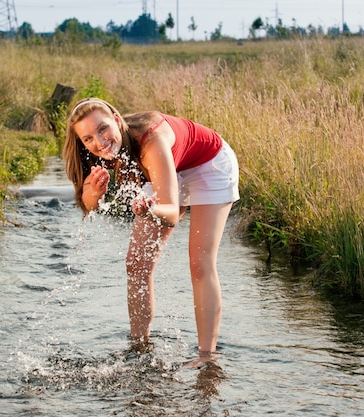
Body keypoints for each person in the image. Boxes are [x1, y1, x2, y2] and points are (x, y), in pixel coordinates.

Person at [63, 98, 239, 358]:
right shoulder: (96, 150)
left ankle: (207, 358)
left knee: (200, 263)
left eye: (103, 129)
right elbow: (87, 205)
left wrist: (149, 209)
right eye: (88, 138)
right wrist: (94, 192)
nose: (99, 142)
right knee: (136, 264)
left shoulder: (150, 142)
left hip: (208, 164)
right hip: (167, 169)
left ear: (115, 117)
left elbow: (170, 213)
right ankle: (140, 348)